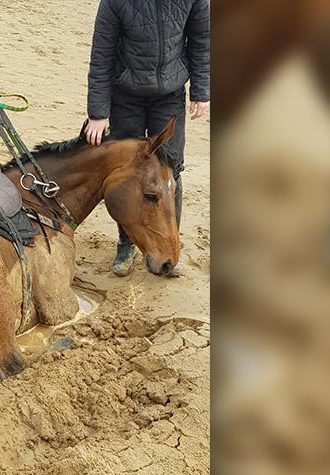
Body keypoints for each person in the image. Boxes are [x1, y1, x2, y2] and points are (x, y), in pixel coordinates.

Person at [85, 0, 210, 276]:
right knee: (130, 174)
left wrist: (201, 89)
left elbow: (201, 40)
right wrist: (98, 113)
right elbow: (102, 54)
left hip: (169, 96)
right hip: (125, 96)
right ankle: (126, 243)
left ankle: (168, 248)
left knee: (170, 172)